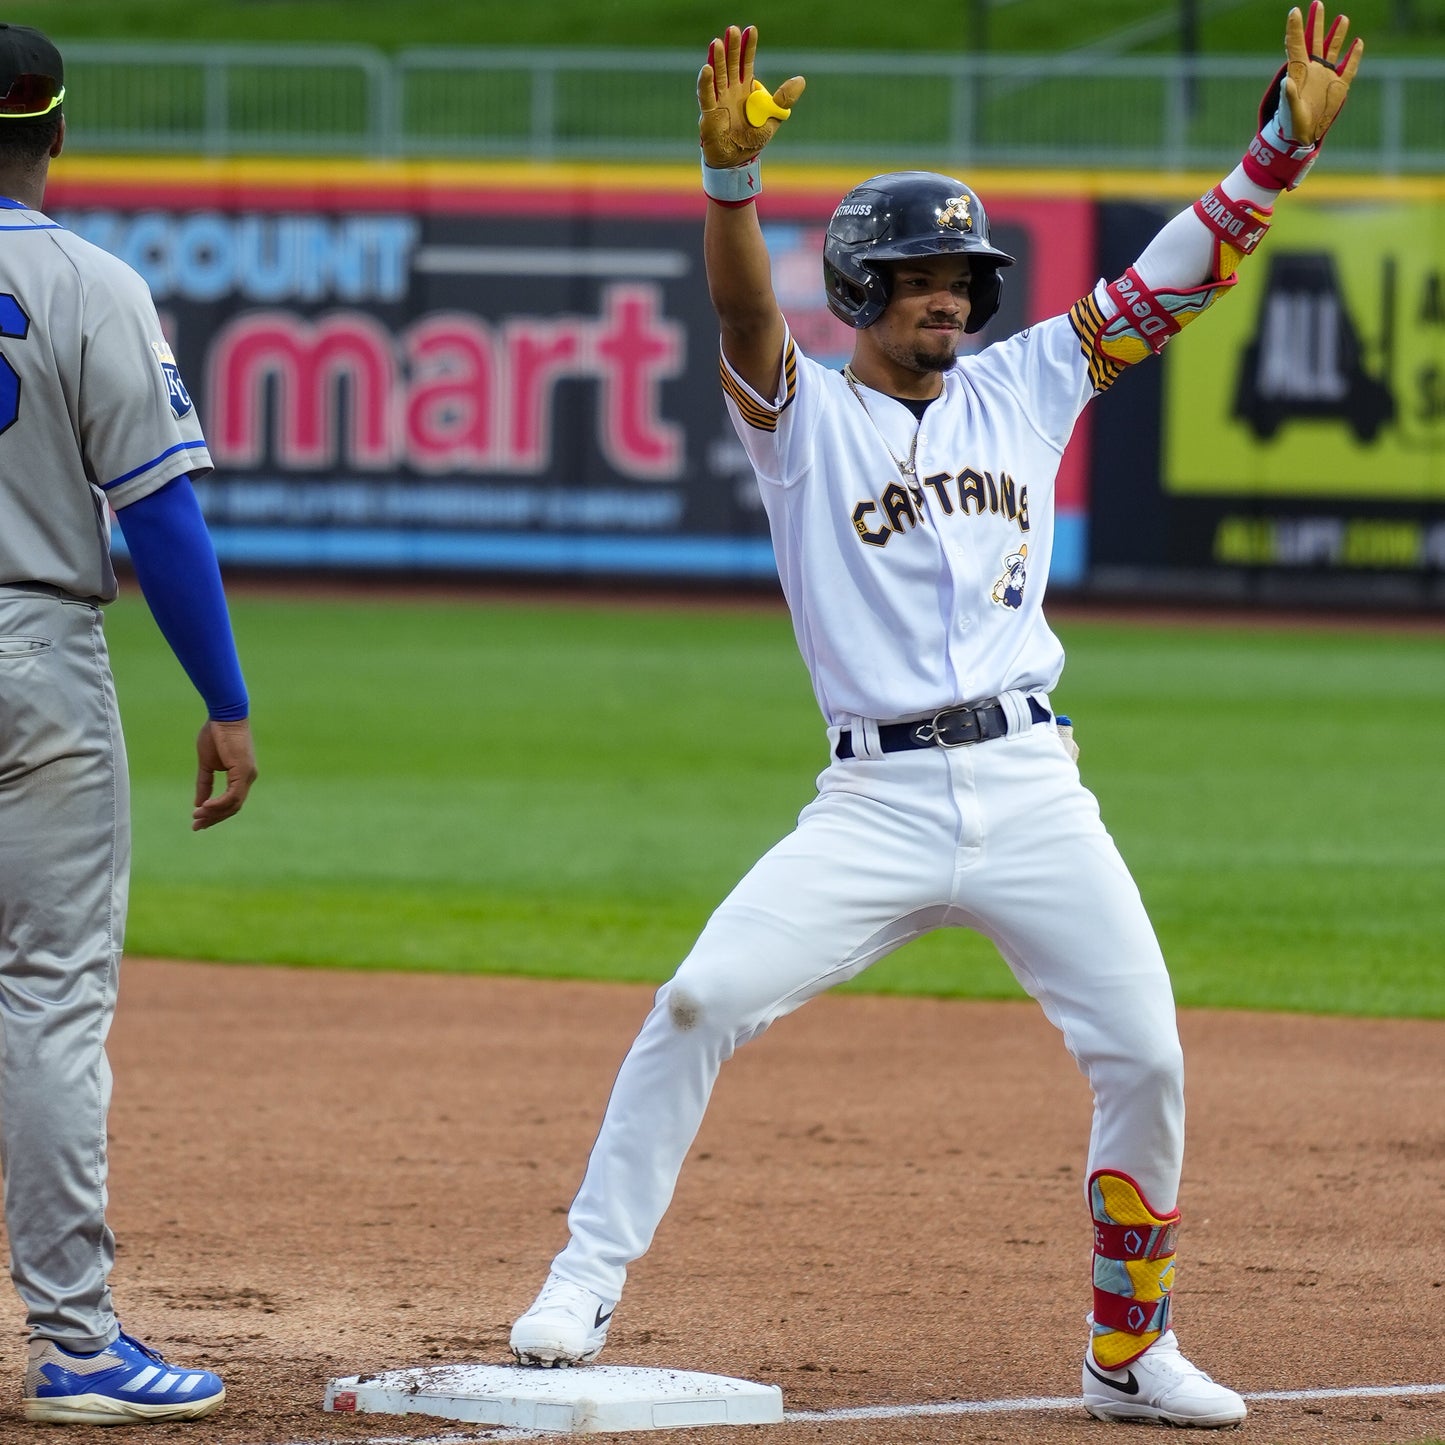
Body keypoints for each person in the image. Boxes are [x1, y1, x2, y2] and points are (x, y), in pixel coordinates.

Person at [511, 5, 1361, 1427]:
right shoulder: (799, 421)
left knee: (1145, 1055)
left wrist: (1274, 151)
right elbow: (737, 314)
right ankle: (583, 1278)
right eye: (914, 277)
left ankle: (1125, 1348)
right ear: (855, 286)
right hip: (876, 801)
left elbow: (1170, 279)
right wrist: (729, 188)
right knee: (699, 998)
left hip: (1033, 785)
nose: (946, 299)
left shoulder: (1027, 384)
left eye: (962, 277)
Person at [0, 23, 257, 1425]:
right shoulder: (89, 281)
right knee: (45, 997)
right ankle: (80, 1347)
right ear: (56, 133)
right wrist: (221, 697)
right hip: (31, 648)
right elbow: (156, 508)